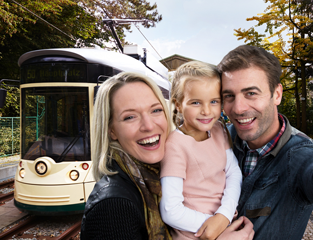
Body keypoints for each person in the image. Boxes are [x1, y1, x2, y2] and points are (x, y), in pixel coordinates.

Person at [80, 71, 255, 240]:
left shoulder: (150, 176)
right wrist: (218, 230)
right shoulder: (113, 208)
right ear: (111, 130)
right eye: (130, 117)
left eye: (155, 110)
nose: (148, 126)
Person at [217, 45, 313, 240]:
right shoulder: (216, 139)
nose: (238, 108)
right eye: (229, 96)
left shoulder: (300, 156)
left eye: (251, 93)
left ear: (276, 94)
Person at [160, 61, 243, 239]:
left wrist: (224, 216)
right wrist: (213, 224)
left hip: (222, 224)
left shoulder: (219, 129)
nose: (206, 111)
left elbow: (233, 173)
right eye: (196, 102)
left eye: (213, 101)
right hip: (194, 233)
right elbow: (171, 211)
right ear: (179, 104)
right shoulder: (175, 145)